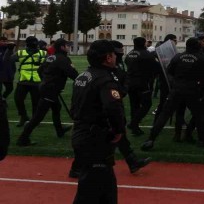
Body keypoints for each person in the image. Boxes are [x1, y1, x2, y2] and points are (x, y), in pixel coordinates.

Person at [70, 40, 126, 203]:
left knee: (104, 187)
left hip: (82, 133)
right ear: (108, 57)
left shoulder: (83, 76)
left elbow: (74, 106)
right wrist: (118, 130)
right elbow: (113, 108)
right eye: (114, 54)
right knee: (91, 190)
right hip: (95, 138)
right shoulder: (105, 80)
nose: (116, 57)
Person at [141, 38, 204, 150]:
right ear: (198, 47)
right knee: (198, 115)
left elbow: (169, 71)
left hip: (176, 89)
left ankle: (150, 139)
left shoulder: (177, 57)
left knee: (165, 115)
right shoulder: (201, 58)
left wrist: (176, 81)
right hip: (192, 90)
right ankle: (202, 140)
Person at [16, 39, 77, 146]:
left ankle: (60, 130)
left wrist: (47, 81)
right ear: (62, 47)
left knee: (56, 107)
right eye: (67, 45)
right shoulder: (63, 59)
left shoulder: (50, 57)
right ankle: (23, 138)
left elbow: (39, 71)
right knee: (38, 116)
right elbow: (73, 74)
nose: (68, 47)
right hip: (50, 90)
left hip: (46, 88)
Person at [124, 37, 158, 136]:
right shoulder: (146, 54)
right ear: (143, 44)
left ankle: (135, 129)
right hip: (142, 83)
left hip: (130, 83)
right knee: (147, 104)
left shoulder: (130, 54)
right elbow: (156, 67)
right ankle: (134, 123)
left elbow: (127, 63)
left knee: (134, 105)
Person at [12, 36, 47, 127]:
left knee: (32, 102)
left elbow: (10, 59)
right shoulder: (42, 53)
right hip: (26, 81)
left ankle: (32, 120)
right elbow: (10, 60)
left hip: (34, 81)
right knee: (20, 100)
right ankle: (24, 117)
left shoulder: (42, 53)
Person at [0, 37, 16, 102]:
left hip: (7, 73)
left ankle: (3, 99)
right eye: (3, 41)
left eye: (6, 41)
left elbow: (12, 61)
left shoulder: (10, 50)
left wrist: (12, 72)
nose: (5, 42)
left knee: (10, 88)